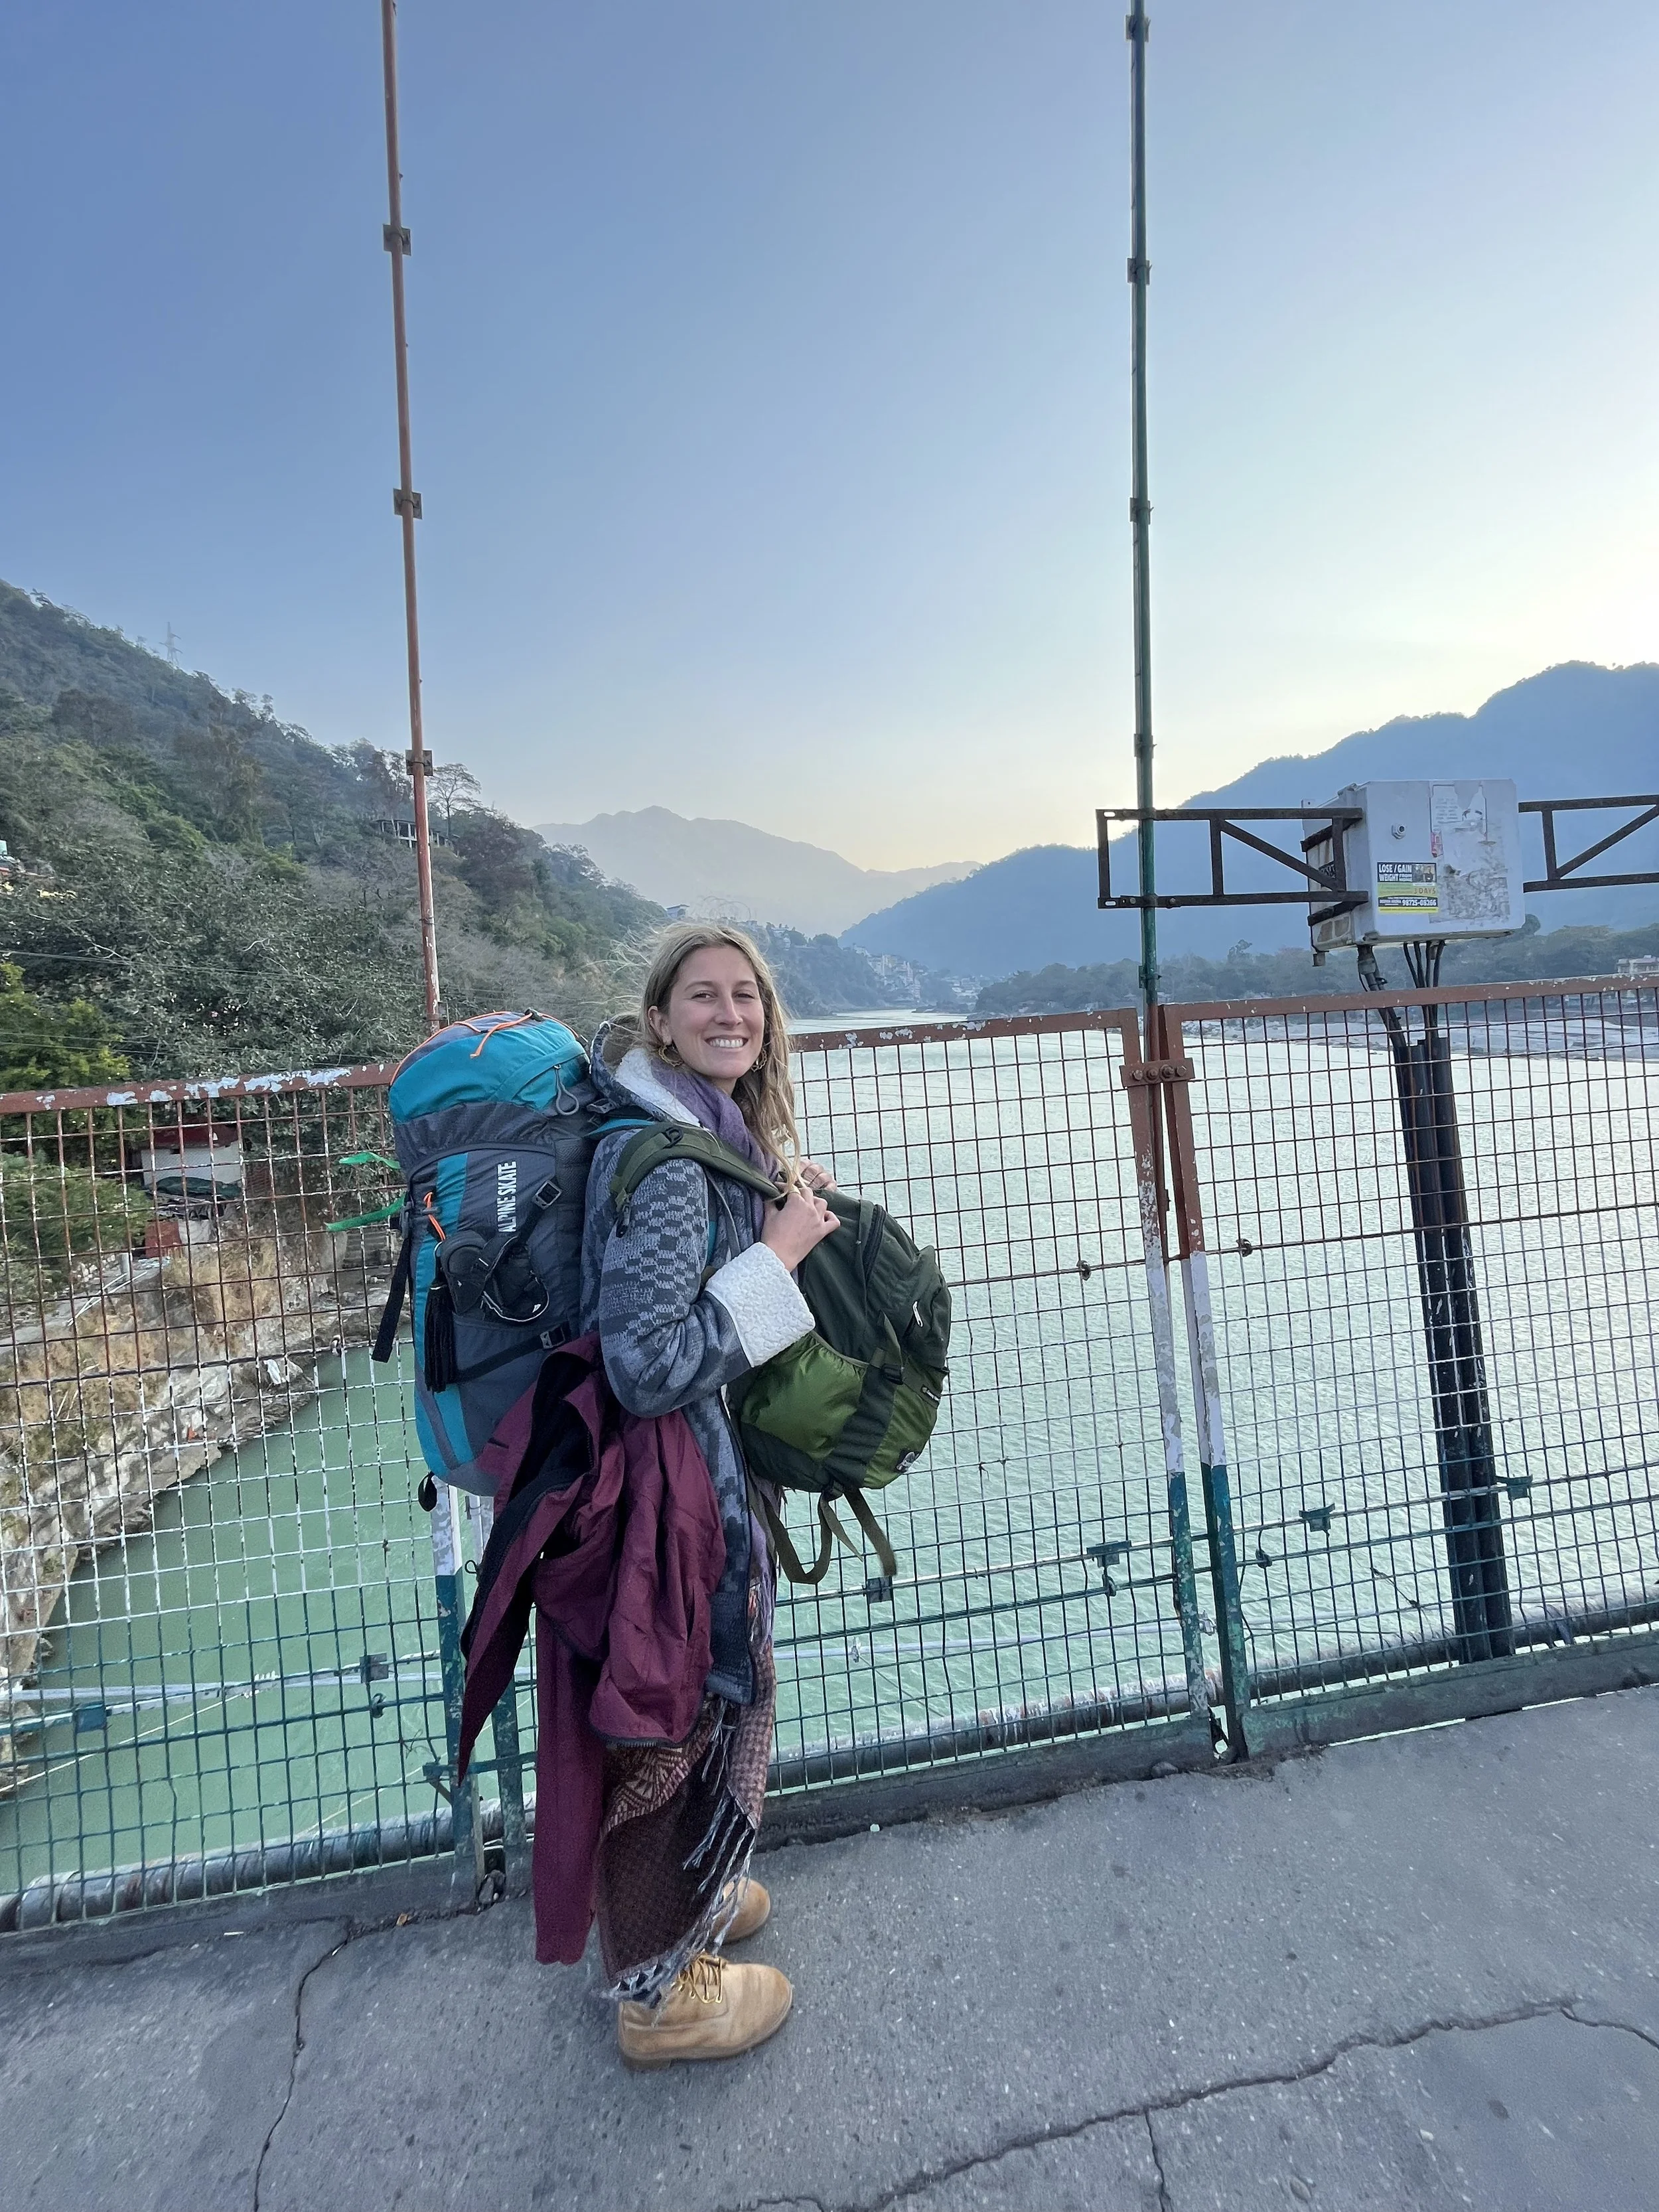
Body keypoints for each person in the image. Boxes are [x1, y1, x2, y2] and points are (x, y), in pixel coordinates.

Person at [579, 920, 838, 2067]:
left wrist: (776, 1214)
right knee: (675, 1710)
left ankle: (698, 1893)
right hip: (664, 1496)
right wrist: (776, 1259)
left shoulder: (699, 1137)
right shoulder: (674, 1163)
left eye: (748, 997)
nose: (731, 1014)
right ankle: (661, 1995)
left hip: (674, 1483)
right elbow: (644, 1364)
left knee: (692, 1698)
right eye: (704, 997)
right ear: (660, 1020)